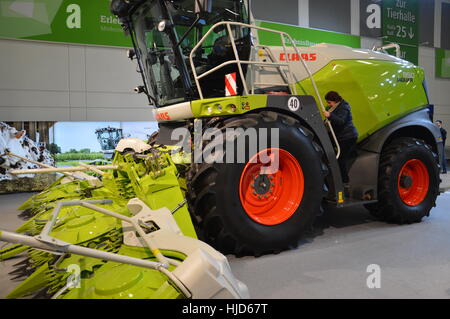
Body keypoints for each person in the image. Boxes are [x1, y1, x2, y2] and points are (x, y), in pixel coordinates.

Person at [323, 91, 358, 195]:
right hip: (341, 137)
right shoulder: (335, 107)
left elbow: (341, 121)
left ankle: (345, 183)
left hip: (348, 137)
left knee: (341, 160)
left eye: (330, 102)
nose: (329, 105)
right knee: (336, 158)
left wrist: (329, 115)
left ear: (335, 101)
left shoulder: (344, 107)